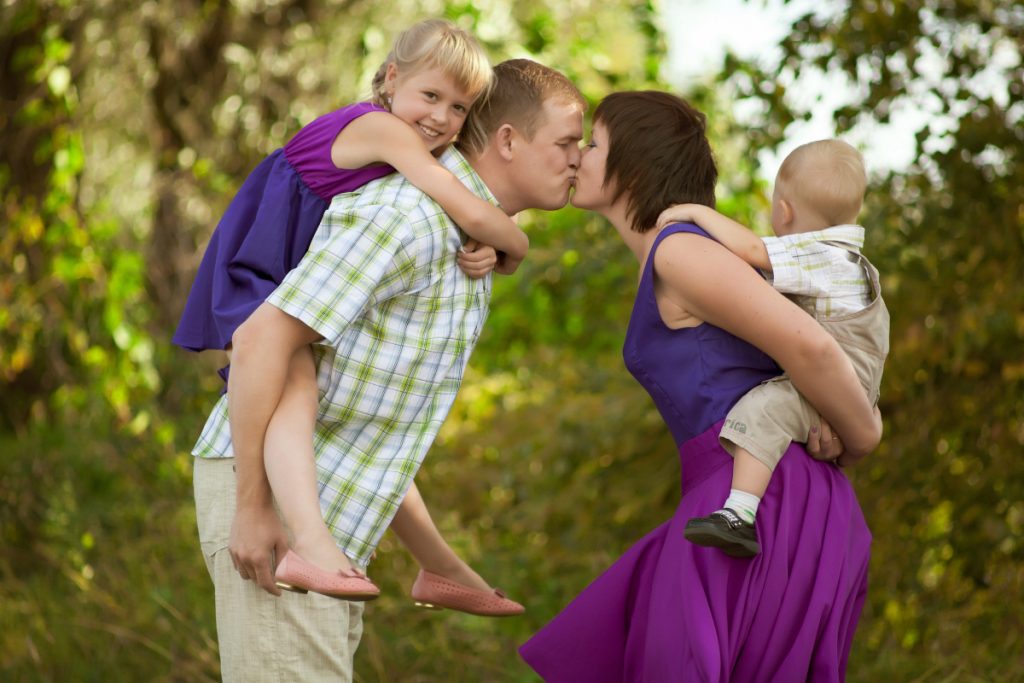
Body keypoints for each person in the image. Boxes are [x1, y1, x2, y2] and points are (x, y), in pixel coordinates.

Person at [192, 58, 585, 680]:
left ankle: (441, 566)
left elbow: (364, 406)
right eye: (567, 143)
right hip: (276, 506)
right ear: (508, 140)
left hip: (338, 517)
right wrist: (252, 506)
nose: (579, 161)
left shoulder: (466, 239)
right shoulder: (408, 218)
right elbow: (261, 337)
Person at [519, 91, 882, 682]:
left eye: (593, 144)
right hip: (741, 489)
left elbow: (811, 346)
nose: (578, 156)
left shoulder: (682, 252)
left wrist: (864, 434)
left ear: (633, 168)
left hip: (763, 496)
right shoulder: (670, 255)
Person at [177, 20, 530, 606]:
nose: (442, 118)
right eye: (431, 95)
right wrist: (516, 247)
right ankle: (310, 543)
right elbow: (459, 201)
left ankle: (438, 565)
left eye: (460, 109)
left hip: (288, 254)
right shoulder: (385, 130)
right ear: (392, 79)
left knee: (359, 415)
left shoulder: (402, 136)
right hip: (264, 254)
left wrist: (490, 246)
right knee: (296, 381)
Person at [654, 139, 890, 558]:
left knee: (764, 408)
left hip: (839, 381)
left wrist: (697, 213)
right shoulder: (849, 263)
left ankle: (738, 513)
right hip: (857, 390)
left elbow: (751, 251)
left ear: (784, 212)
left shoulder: (818, 255)